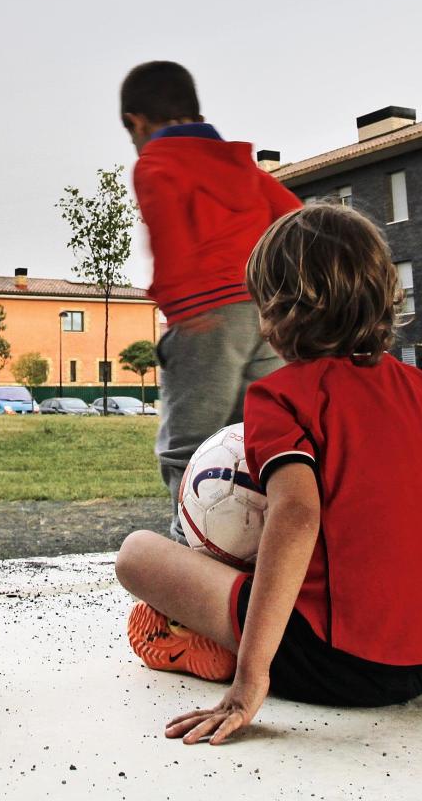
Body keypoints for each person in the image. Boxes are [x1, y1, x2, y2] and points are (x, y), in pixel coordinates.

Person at [114, 203, 422, 744]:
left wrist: (251, 682)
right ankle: (237, 633)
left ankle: (217, 648)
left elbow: (296, 515)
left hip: (334, 664)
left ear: (277, 312)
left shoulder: (281, 397)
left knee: (137, 553)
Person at [120, 61, 301, 536]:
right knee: (259, 438)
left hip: (207, 317)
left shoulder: (156, 163)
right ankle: (256, 548)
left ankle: (191, 548)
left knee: (189, 447)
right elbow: (292, 215)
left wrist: (182, 308)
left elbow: (169, 236)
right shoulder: (238, 163)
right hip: (266, 317)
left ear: (137, 122)